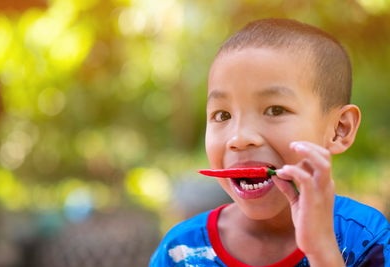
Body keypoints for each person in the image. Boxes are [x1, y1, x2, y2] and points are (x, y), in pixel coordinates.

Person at [149, 18, 390, 267]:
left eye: (275, 110)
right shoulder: (179, 251)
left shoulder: (366, 237)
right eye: (222, 115)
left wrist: (322, 251)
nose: (240, 138)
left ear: (340, 129)